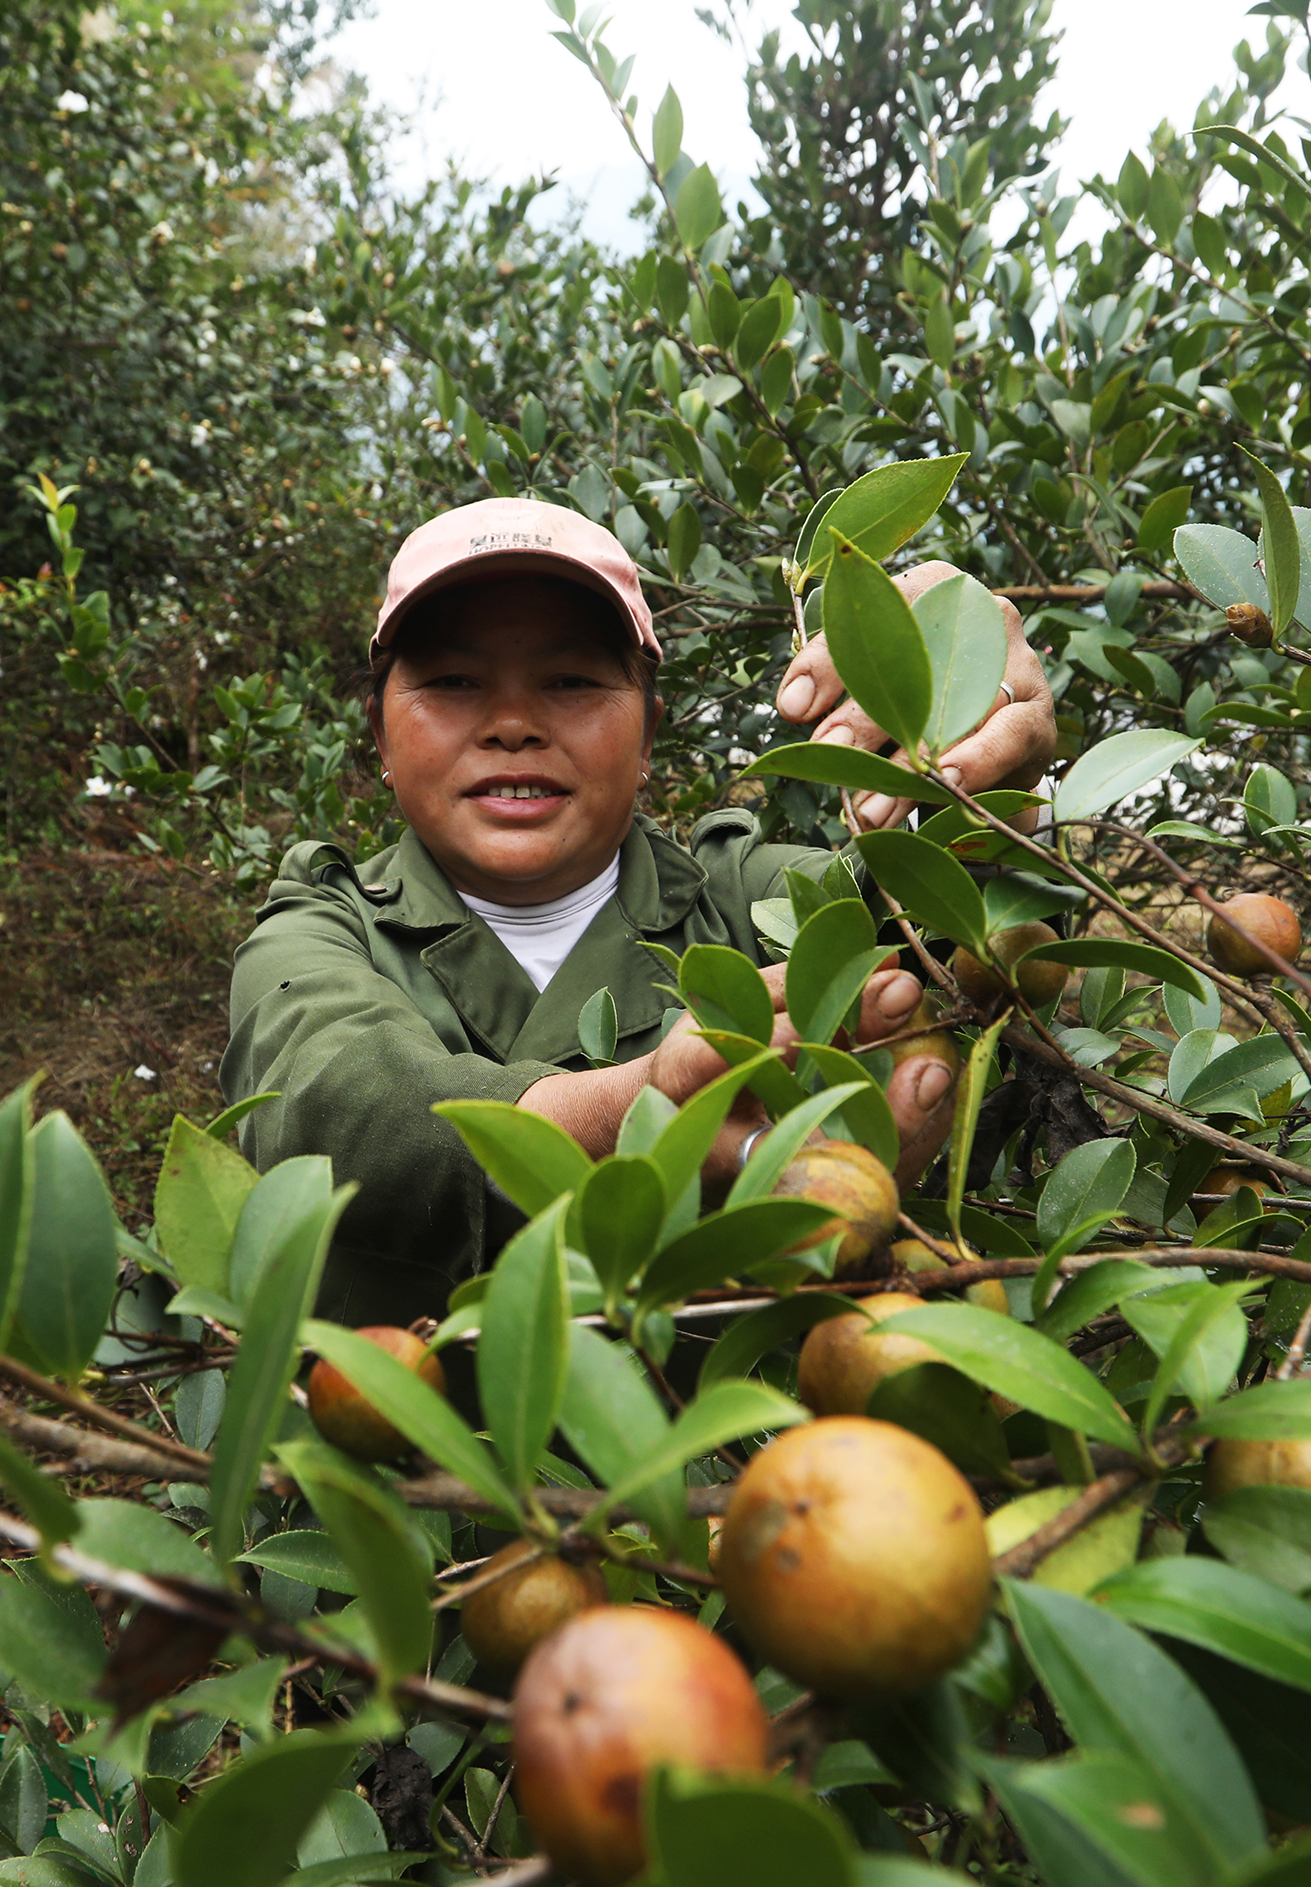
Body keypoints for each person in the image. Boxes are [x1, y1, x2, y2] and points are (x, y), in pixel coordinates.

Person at [219, 496, 1056, 1327]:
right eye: (453, 682)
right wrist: (641, 1116)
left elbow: (962, 938)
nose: (513, 724)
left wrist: (990, 785)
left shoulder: (751, 901)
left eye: (572, 681)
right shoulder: (324, 923)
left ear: (649, 733)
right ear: (380, 734)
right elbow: (333, 1100)